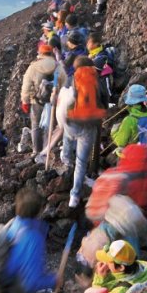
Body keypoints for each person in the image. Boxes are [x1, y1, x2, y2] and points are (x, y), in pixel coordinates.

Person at [64, 57, 107, 208]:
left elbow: (66, 100)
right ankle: (74, 196)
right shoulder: (98, 81)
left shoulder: (71, 79)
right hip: (90, 126)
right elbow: (105, 100)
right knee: (81, 162)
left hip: (73, 122)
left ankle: (66, 157)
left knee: (67, 134)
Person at [20, 44, 67, 157]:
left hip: (37, 101)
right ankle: (47, 151)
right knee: (50, 125)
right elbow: (64, 83)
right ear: (51, 53)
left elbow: (26, 86)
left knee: (36, 126)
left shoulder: (33, 67)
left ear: (40, 53)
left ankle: (36, 150)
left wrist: (25, 101)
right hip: (53, 102)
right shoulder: (58, 66)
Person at [86, 144, 147, 220]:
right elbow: (142, 201)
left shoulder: (110, 173)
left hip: (93, 211)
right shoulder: (139, 179)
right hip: (112, 219)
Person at [110, 85, 147, 153]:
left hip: (136, 154)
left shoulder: (129, 120)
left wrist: (113, 132)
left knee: (111, 157)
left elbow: (120, 142)